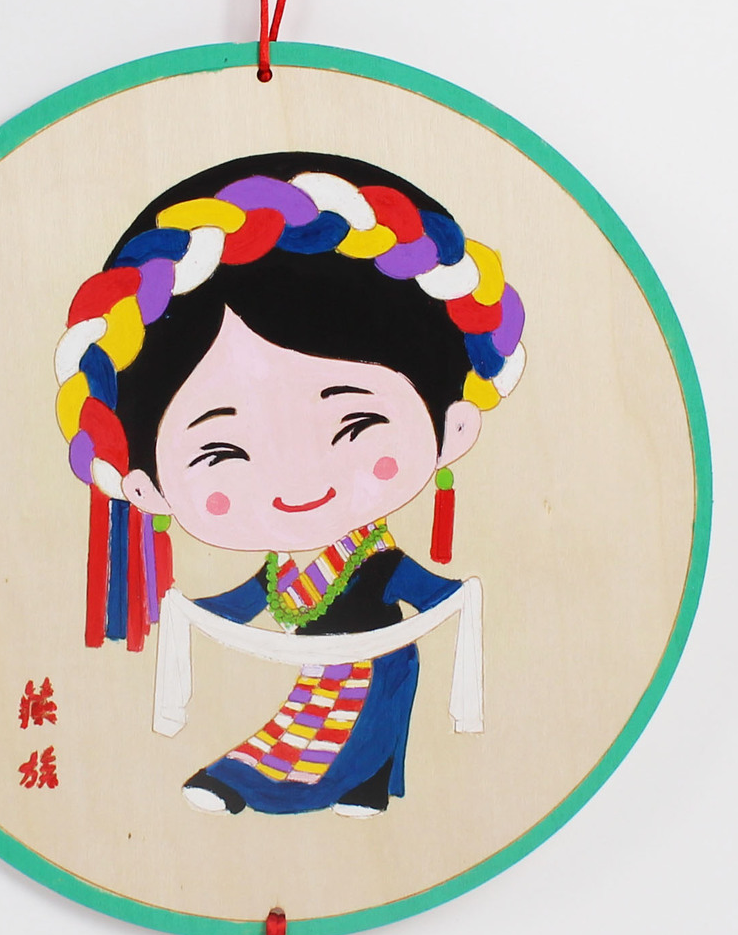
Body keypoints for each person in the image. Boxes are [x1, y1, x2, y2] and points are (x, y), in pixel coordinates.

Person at [52, 152, 527, 817]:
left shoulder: (376, 560)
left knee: (350, 738)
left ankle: (350, 785)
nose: (297, 475)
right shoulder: (285, 569)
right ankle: (266, 781)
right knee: (295, 733)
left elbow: (431, 593)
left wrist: (460, 598)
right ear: (146, 489)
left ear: (454, 427)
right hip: (320, 674)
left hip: (378, 669)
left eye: (356, 422)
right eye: (223, 451)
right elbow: (243, 603)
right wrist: (192, 614)